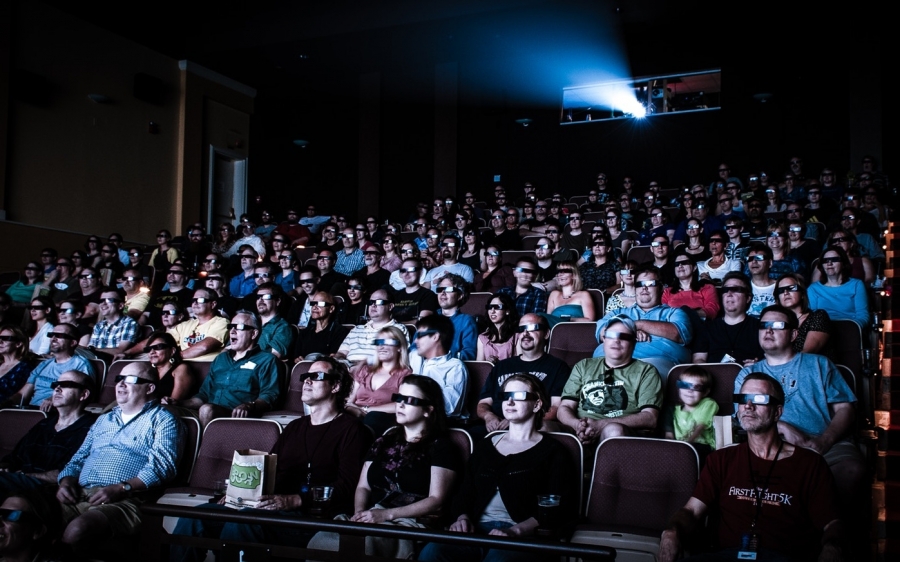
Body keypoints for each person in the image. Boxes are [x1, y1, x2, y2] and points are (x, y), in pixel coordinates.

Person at [170, 358, 371, 562]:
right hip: (275, 508)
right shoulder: (294, 427)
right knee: (195, 517)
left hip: (313, 517)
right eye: (305, 376)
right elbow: (270, 472)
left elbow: (347, 487)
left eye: (316, 376)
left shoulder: (352, 430)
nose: (307, 381)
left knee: (243, 522)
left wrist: (293, 500)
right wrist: (238, 496)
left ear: (336, 386)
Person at [658, 373, 843, 562]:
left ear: (778, 411)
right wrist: (671, 531)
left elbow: (832, 523)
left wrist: (832, 547)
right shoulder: (721, 459)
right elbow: (691, 511)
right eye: (742, 399)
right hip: (726, 555)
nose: (748, 406)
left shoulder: (809, 464)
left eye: (759, 399)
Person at [734, 304, 866, 550]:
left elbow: (846, 409)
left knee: (852, 469)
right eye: (764, 326)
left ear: (794, 334)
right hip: (773, 447)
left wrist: (823, 442)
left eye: (777, 326)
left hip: (826, 443)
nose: (768, 331)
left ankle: (832, 542)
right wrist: (782, 426)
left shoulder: (819, 364)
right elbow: (746, 418)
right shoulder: (748, 374)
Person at [419, 374, 577, 562]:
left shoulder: (553, 451)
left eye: (518, 395)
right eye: (506, 395)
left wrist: (515, 531)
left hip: (523, 536)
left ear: (537, 404)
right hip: (476, 530)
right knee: (433, 552)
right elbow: (464, 492)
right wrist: (462, 518)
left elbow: (557, 506)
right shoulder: (486, 446)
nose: (509, 401)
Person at [306, 375, 462, 559]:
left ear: (428, 409)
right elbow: (363, 486)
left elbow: (436, 499)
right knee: (322, 540)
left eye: (410, 400)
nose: (400, 405)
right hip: (374, 516)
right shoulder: (384, 440)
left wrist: (386, 515)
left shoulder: (440, 446)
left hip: (410, 523)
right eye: (399, 398)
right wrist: (360, 514)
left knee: (363, 545)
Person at [56, 362, 183, 548]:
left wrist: (121, 488)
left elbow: (162, 467)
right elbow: (79, 458)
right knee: (21, 515)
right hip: (77, 494)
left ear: (150, 388)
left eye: (130, 379)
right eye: (119, 379)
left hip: (126, 500)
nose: (121, 384)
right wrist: (66, 482)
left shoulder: (163, 419)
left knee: (77, 530)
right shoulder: (103, 419)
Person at [558, 315, 663, 445]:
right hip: (579, 430)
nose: (616, 340)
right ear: (604, 339)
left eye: (624, 337)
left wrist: (601, 425)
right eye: (611, 335)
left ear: (634, 342)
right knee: (543, 427)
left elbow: (650, 418)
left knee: (613, 430)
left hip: (620, 433)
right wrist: (577, 425)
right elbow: (565, 407)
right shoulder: (583, 366)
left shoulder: (646, 371)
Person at [167, 310, 281, 426]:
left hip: (238, 415)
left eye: (239, 327)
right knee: (164, 409)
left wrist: (249, 405)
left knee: (207, 409)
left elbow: (270, 395)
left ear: (253, 334)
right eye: (231, 326)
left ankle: (204, 444)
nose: (232, 331)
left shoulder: (267, 360)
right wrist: (178, 403)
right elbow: (203, 396)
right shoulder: (220, 359)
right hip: (206, 412)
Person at [0, 370, 96, 497]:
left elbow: (74, 470)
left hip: (51, 490)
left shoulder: (93, 428)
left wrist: (22, 476)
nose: (57, 389)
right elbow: (15, 457)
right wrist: (4, 467)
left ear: (83, 394)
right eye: (56, 385)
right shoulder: (44, 424)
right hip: (18, 484)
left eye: (66, 384)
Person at [476, 314, 570, 435]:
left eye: (532, 328)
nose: (525, 333)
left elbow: (557, 407)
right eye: (521, 329)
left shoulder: (558, 367)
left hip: (532, 428)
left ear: (546, 333)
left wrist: (520, 421)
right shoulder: (501, 366)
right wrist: (489, 417)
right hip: (496, 426)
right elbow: (483, 404)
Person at [595, 267, 692, 376]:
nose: (644, 288)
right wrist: (631, 331)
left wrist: (635, 325)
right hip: (610, 361)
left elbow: (678, 334)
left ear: (661, 288)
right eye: (639, 284)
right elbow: (602, 332)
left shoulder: (674, 313)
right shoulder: (616, 312)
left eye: (650, 283)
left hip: (656, 362)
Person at [346, 327, 413, 436]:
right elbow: (349, 400)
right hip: (354, 416)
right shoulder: (365, 370)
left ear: (400, 347)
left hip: (381, 420)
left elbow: (401, 404)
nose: (381, 346)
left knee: (372, 418)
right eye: (378, 342)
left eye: (387, 342)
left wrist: (366, 410)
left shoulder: (405, 375)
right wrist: (353, 410)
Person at [18, 323, 97, 411]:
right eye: (51, 335)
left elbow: (85, 396)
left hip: (57, 412)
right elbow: (23, 394)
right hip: (32, 411)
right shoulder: (44, 364)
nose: (53, 339)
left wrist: (54, 399)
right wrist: (8, 401)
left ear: (72, 342)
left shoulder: (81, 365)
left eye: (59, 336)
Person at [691, 272, 763, 365]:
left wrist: (758, 364)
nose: (729, 293)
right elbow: (698, 360)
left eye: (736, 289)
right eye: (725, 290)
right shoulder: (707, 328)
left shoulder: (760, 328)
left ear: (748, 298)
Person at [408, 315, 468, 419]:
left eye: (420, 336)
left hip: (437, 424)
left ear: (435, 337)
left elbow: (450, 408)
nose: (415, 341)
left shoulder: (455, 367)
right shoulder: (414, 357)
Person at [337, 289, 410, 364]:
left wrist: (361, 364)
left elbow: (398, 358)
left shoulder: (398, 329)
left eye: (379, 302)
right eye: (370, 302)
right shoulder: (356, 329)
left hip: (375, 370)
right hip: (347, 369)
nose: (373, 305)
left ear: (390, 306)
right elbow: (341, 353)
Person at [807, 247, 869, 328]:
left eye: (834, 259)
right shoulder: (813, 289)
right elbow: (812, 317)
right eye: (825, 261)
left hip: (850, 329)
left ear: (843, 263)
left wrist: (851, 328)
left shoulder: (856, 284)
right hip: (822, 330)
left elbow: (863, 316)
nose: (829, 263)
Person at [663, 365, 717, 452]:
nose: (690, 390)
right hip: (679, 448)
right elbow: (669, 436)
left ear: (705, 392)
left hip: (703, 447)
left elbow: (700, 427)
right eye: (684, 385)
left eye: (697, 387)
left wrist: (687, 443)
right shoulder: (672, 410)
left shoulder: (708, 404)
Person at [775, 274, 830, 355]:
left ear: (802, 293)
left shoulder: (818, 316)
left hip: (811, 365)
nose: (786, 293)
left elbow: (808, 352)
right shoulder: (775, 321)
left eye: (792, 288)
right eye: (781, 290)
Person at [293, 291, 351, 361]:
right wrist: (297, 359)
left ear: (331, 309)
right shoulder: (304, 333)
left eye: (320, 304)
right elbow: (297, 356)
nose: (314, 307)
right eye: (313, 303)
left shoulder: (339, 332)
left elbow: (334, 358)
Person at [662, 250, 719, 320]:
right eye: (677, 264)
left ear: (694, 267)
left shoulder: (708, 288)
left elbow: (712, 311)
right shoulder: (667, 291)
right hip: (674, 327)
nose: (680, 266)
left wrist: (686, 314)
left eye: (684, 263)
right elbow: (663, 313)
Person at [434, 273, 478, 361]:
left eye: (448, 289)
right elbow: (414, 350)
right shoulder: (429, 319)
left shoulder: (467, 321)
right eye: (440, 289)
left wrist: (440, 356)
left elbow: (469, 354)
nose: (443, 293)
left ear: (460, 295)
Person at [145, 331, 197, 402]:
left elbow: (173, 403)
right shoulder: (148, 371)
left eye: (158, 347)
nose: (152, 352)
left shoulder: (181, 369)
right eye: (148, 349)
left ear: (172, 351)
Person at [543, 261, 597, 326]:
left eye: (565, 271)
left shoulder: (583, 295)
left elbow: (590, 320)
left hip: (575, 330)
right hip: (555, 332)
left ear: (574, 275)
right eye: (559, 271)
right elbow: (548, 319)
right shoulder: (554, 294)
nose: (560, 274)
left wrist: (567, 319)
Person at [87, 290, 138, 357]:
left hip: (114, 363)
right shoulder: (98, 326)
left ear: (120, 306)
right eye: (101, 301)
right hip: (95, 361)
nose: (103, 303)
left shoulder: (129, 323)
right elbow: (91, 348)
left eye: (109, 300)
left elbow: (120, 350)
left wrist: (93, 350)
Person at [390, 258, 439, 323]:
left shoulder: (428, 295)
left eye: (411, 270)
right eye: (403, 270)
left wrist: (396, 325)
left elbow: (422, 321)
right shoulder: (395, 296)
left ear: (420, 272)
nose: (406, 273)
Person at [254, 283, 294, 359]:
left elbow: (272, 357)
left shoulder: (283, 327)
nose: (261, 300)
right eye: (258, 297)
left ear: (277, 301)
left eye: (266, 296)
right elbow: (229, 347)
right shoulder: (250, 322)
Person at [476, 294, 519, 364]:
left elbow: (521, 364)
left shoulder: (517, 335)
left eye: (497, 307)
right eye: (490, 307)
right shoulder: (482, 337)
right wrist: (487, 363)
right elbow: (480, 367)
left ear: (507, 311)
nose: (492, 311)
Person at [0, 326, 36, 408]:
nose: (0, 341)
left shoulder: (25, 367)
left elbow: (21, 395)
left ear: (18, 344)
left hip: (6, 410)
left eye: (6, 338)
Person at [745, 243, 776, 317]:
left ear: (770, 263)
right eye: (750, 258)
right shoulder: (743, 287)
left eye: (759, 258)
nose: (754, 262)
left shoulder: (780, 286)